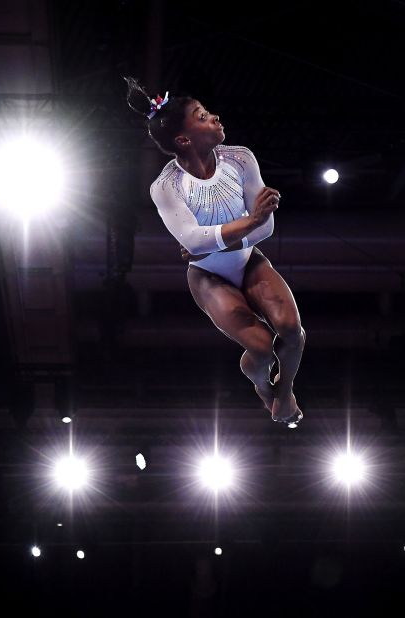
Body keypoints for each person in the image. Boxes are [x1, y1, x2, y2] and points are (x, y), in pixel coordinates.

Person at [124, 76, 305, 425]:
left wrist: (229, 235)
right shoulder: (165, 187)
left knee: (292, 332)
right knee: (262, 348)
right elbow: (194, 240)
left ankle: (282, 394)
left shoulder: (240, 158)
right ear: (183, 139)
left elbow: (266, 227)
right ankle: (263, 388)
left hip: (248, 262)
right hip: (209, 278)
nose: (215, 117)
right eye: (202, 115)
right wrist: (246, 224)